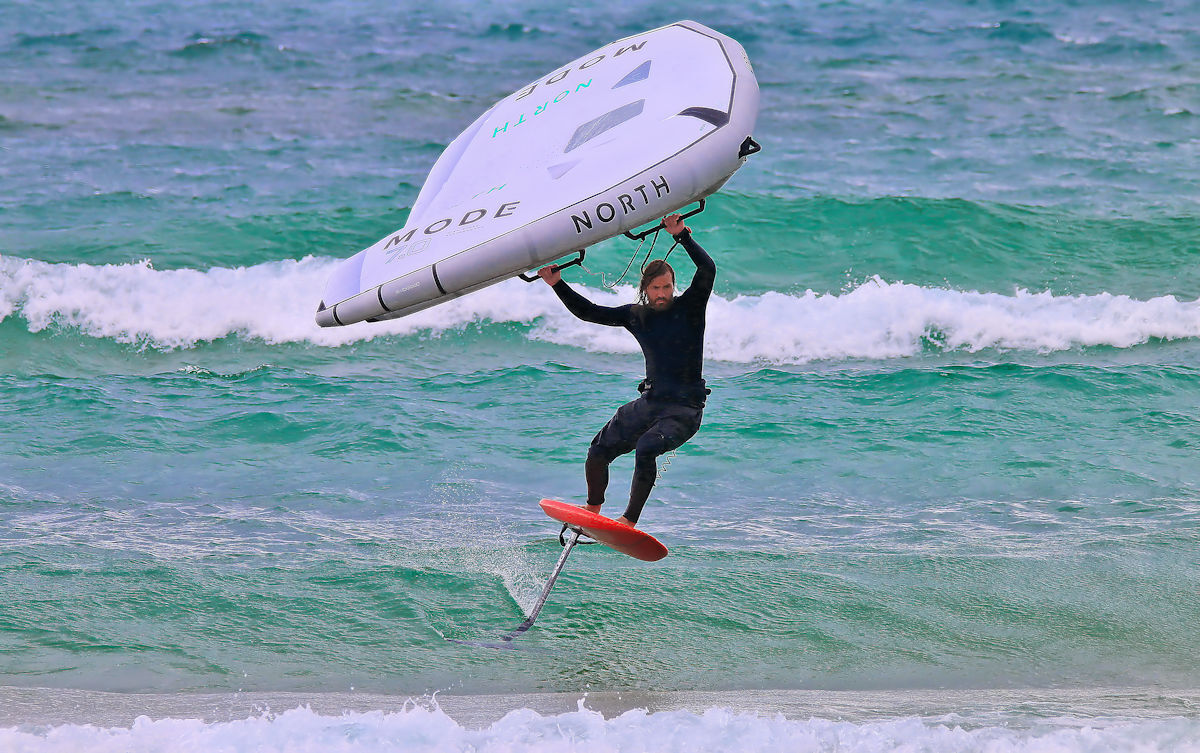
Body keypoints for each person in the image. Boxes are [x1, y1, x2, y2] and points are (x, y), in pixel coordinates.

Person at [537, 213, 714, 527]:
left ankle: (628, 521)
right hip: (651, 403)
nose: (662, 293)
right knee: (598, 450)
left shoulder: (690, 307)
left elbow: (707, 269)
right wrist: (557, 284)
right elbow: (590, 312)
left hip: (683, 411)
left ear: (674, 286)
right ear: (646, 288)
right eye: (656, 288)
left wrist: (682, 235)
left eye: (667, 287)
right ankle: (592, 509)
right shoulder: (638, 316)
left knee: (647, 447)